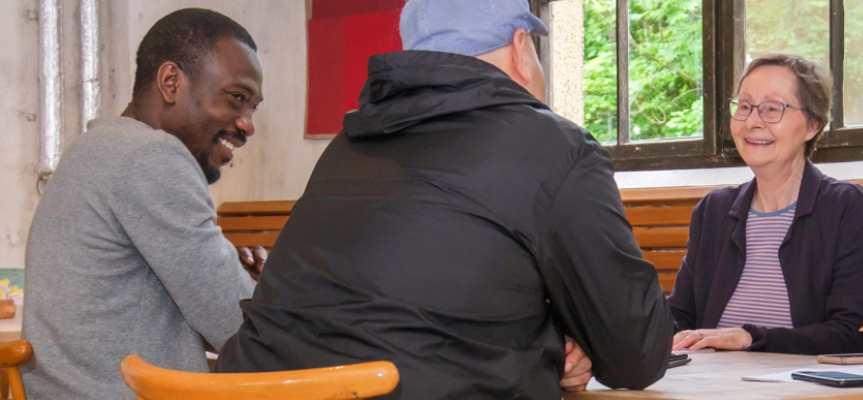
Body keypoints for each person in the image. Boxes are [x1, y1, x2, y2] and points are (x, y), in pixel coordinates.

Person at [213, 0, 672, 398]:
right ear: (520, 48)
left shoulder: (347, 144)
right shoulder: (557, 148)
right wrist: (554, 341)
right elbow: (636, 357)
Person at [21, 8, 267, 399]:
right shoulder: (151, 156)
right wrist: (276, 293)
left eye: (252, 108)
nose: (247, 124)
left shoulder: (94, 148)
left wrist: (239, 279)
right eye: (236, 98)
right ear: (171, 82)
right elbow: (244, 332)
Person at [666, 53, 863, 355]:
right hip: (708, 382)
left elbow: (853, 333)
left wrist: (750, 338)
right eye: (744, 106)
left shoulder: (847, 209)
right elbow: (679, 317)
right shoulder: (713, 210)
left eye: (772, 109)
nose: (752, 121)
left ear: (812, 126)